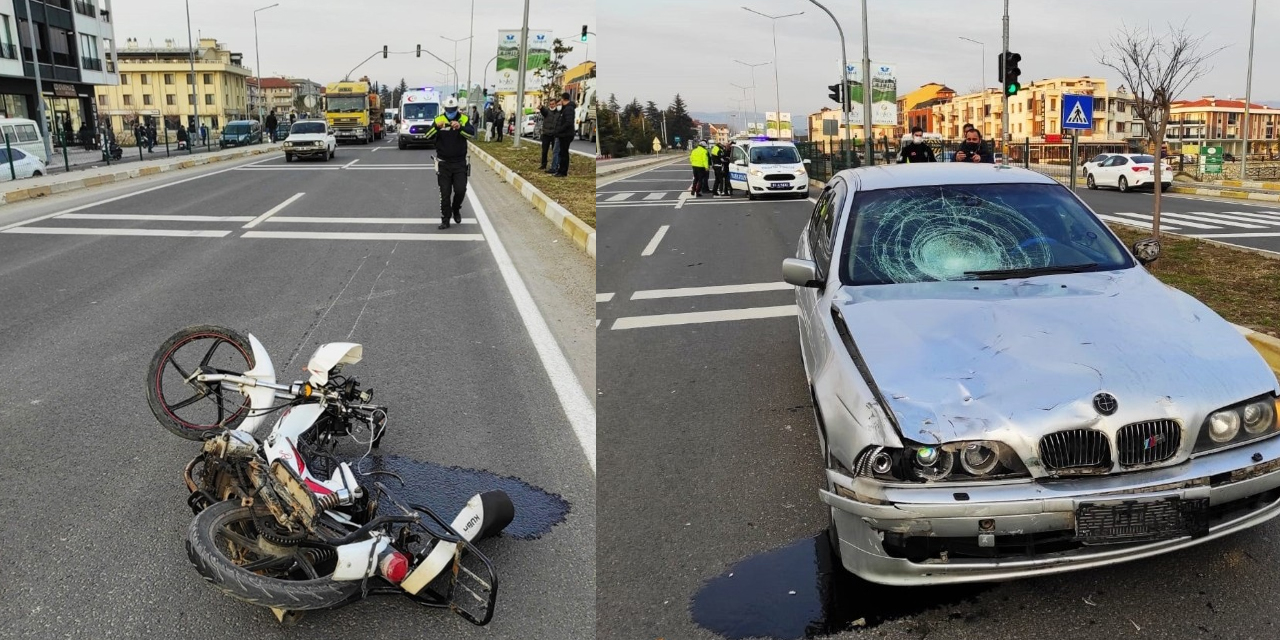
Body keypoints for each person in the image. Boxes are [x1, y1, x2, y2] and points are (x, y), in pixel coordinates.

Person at [423, 97, 475, 230]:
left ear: (457, 109)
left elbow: (471, 135)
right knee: (444, 193)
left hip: (459, 163)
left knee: (460, 190)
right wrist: (436, 127)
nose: (450, 112)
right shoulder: (439, 119)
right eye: (448, 110)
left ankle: (456, 208)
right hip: (443, 163)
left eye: (452, 110)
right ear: (444, 109)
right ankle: (445, 219)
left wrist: (460, 128)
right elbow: (427, 136)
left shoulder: (463, 119)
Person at [553, 91, 576, 177]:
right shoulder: (566, 108)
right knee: (562, 153)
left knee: (564, 154)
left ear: (563, 99)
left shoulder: (569, 109)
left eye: (561, 100)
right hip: (564, 134)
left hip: (566, 134)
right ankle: (560, 170)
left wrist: (559, 130)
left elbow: (568, 122)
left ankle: (563, 172)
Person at [539, 97, 559, 171]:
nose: (552, 105)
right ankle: (543, 164)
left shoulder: (558, 112)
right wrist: (541, 108)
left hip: (554, 135)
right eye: (550, 104)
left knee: (555, 151)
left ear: (556, 104)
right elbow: (543, 111)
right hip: (546, 134)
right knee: (544, 151)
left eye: (553, 104)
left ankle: (554, 165)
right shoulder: (547, 111)